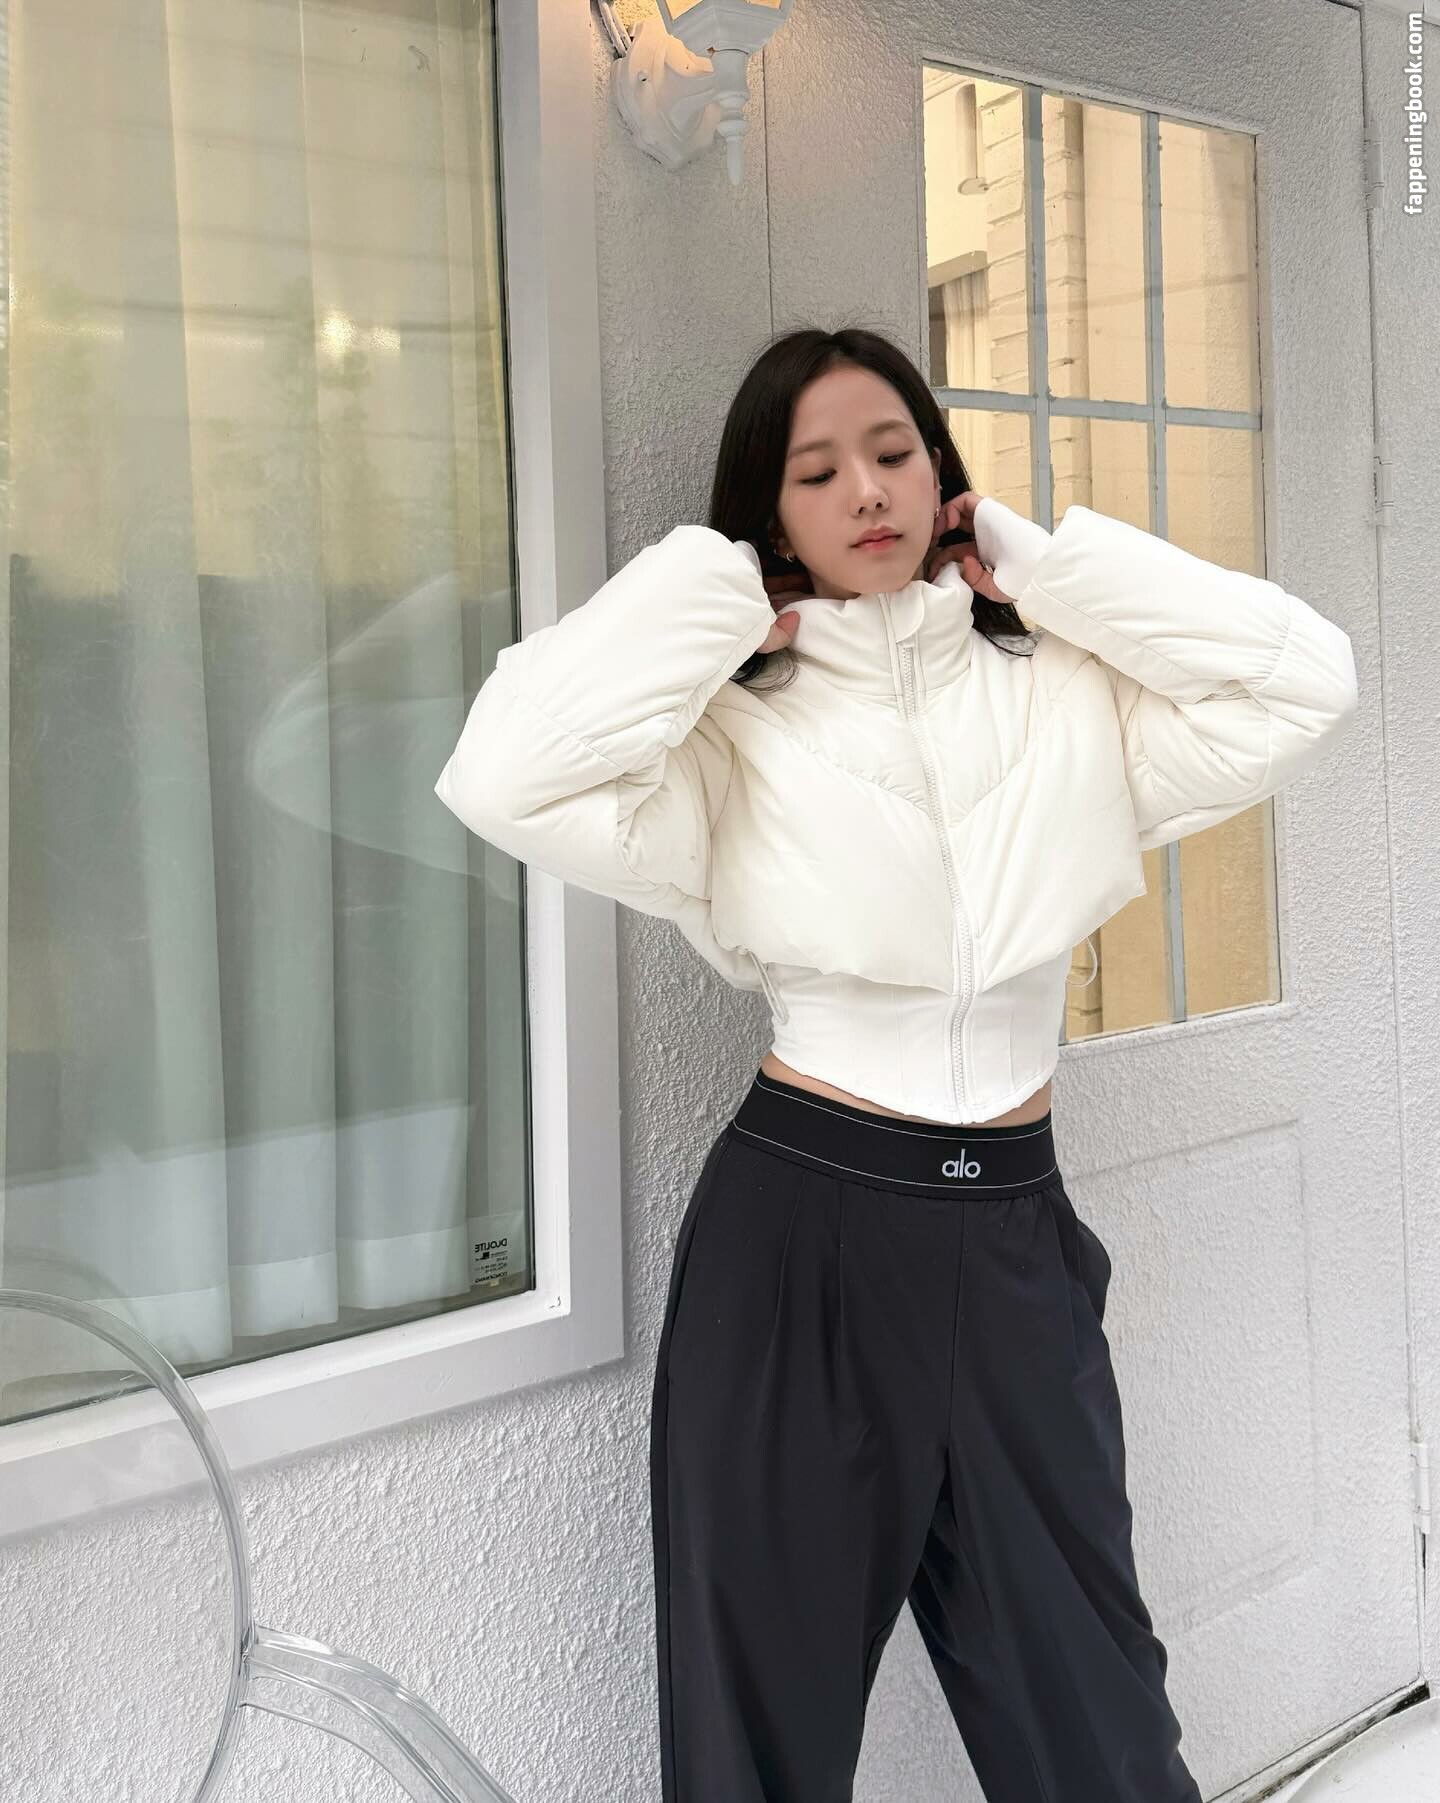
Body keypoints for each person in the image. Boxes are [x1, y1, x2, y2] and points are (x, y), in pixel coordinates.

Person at [434, 327, 1358, 1802]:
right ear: (771, 513)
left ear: (942, 476)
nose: (864, 490)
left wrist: (1049, 568)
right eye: (814, 473)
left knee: (1101, 1732)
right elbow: (498, 773)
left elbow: (1306, 683)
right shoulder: (723, 738)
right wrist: (721, 594)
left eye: (892, 451)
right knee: (758, 1746)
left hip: (1015, 1242)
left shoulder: (1067, 689)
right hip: (803, 1242)